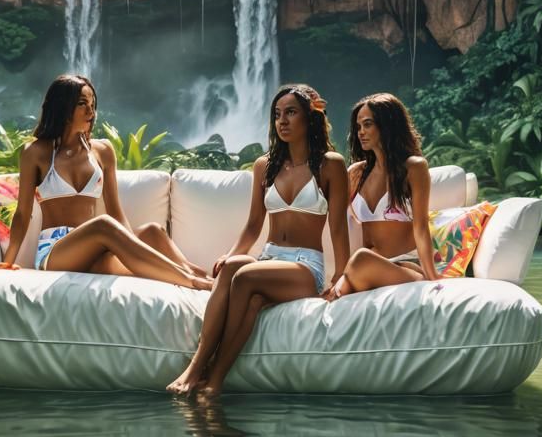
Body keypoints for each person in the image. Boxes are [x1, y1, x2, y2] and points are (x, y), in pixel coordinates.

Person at [166, 84, 349, 396]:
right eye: (277, 114)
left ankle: (201, 371)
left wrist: (341, 278)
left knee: (246, 277)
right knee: (234, 273)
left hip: (305, 266)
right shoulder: (265, 166)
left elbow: (339, 229)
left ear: (309, 118)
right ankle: (210, 381)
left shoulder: (329, 164)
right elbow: (253, 225)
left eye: (291, 112)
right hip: (269, 257)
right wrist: (232, 254)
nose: (282, 121)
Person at [0, 74, 211, 289]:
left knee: (153, 231)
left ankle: (201, 276)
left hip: (95, 249)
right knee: (102, 225)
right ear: (63, 107)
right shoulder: (35, 152)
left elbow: (116, 212)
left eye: (92, 104)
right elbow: (22, 213)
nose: (91, 111)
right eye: (82, 104)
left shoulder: (103, 151)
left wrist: (127, 246)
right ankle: (190, 281)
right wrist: (9, 261)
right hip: (56, 251)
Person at [327, 93, 440, 299]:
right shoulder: (356, 173)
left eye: (367, 124)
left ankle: (418, 280)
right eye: (358, 126)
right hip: (367, 267)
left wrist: (433, 278)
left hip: (405, 264)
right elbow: (336, 220)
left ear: (387, 125)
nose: (361, 132)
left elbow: (421, 228)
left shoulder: (413, 167)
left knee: (360, 259)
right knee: (337, 292)